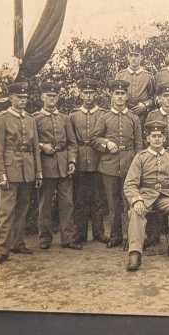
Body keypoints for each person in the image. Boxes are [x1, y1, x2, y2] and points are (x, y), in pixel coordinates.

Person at [0, 82, 42, 265]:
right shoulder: (2, 118)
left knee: (22, 209)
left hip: (27, 170)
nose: (22, 100)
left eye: (25, 97)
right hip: (10, 171)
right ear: (10, 98)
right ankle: (1, 249)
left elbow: (35, 148)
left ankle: (18, 243)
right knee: (6, 211)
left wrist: (38, 172)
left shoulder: (30, 119)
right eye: (19, 97)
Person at [124, 121, 169, 271]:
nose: (157, 139)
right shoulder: (140, 157)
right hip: (146, 195)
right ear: (148, 139)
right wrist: (137, 199)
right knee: (136, 211)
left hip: (165, 196)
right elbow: (130, 183)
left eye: (160, 136)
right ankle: (135, 252)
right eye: (154, 136)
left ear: (164, 139)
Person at [91, 79, 143, 248]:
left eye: (122, 94)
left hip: (129, 165)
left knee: (128, 203)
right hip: (109, 165)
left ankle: (130, 237)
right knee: (113, 204)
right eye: (117, 94)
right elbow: (94, 139)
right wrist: (106, 143)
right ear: (111, 95)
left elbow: (139, 145)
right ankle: (115, 236)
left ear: (127, 96)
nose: (120, 97)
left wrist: (138, 166)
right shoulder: (104, 117)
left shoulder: (134, 118)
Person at [34, 82, 81, 250]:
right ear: (42, 97)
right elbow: (31, 142)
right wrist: (42, 146)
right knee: (45, 204)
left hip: (64, 166)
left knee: (67, 204)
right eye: (48, 96)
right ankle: (45, 238)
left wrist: (72, 161)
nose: (52, 99)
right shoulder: (35, 119)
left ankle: (67, 238)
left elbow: (72, 143)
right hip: (46, 167)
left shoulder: (65, 118)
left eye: (54, 96)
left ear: (58, 98)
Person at [69, 78, 107, 243]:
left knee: (98, 199)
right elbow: (71, 140)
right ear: (80, 94)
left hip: (98, 160)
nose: (89, 97)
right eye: (85, 93)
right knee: (80, 199)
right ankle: (80, 234)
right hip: (80, 161)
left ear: (96, 94)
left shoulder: (103, 114)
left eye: (91, 93)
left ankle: (99, 233)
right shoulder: (73, 115)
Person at [115, 49, 156, 125]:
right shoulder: (120, 75)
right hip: (124, 113)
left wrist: (145, 105)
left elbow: (153, 97)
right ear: (128, 57)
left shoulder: (148, 76)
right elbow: (114, 96)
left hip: (142, 115)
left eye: (136, 55)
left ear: (141, 57)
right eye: (131, 55)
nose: (133, 58)